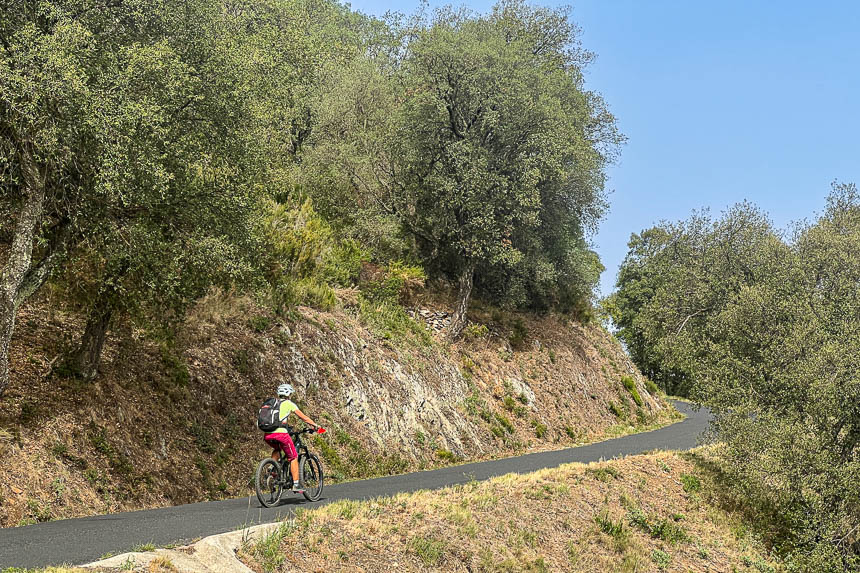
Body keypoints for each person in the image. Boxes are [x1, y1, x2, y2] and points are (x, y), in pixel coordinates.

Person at [263, 383, 320, 493]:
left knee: (277, 449)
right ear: (289, 394)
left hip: (267, 434)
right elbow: (303, 417)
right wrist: (314, 425)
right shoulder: (289, 403)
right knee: (293, 457)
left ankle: (272, 468)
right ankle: (296, 484)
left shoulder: (271, 403)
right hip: (281, 434)